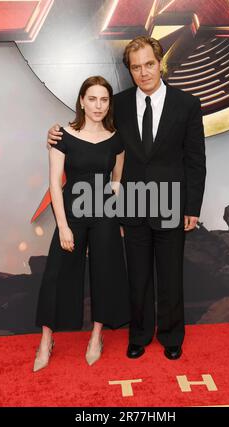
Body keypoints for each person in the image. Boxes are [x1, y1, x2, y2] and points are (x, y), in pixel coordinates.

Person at [47, 36, 206, 361]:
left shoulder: (187, 104)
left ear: (159, 62)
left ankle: (172, 336)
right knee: (137, 276)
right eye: (136, 67)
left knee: (171, 275)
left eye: (149, 64)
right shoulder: (115, 104)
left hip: (170, 201)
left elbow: (195, 159)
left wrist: (192, 206)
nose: (144, 72)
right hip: (131, 203)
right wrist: (55, 133)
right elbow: (89, 129)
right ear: (130, 71)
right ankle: (140, 335)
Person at [33, 76, 130, 372]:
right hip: (71, 213)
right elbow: (54, 182)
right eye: (92, 99)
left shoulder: (116, 139)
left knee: (104, 273)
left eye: (104, 99)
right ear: (82, 101)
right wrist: (62, 226)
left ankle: (96, 337)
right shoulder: (61, 134)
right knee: (57, 274)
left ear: (108, 103)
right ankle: (46, 340)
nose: (98, 105)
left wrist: (115, 216)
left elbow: (116, 181)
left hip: (104, 216)